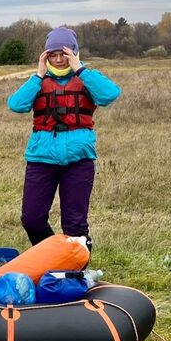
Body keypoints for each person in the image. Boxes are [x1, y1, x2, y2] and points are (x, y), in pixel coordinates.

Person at [7, 27, 121, 252]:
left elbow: (109, 94)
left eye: (64, 54)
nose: (59, 60)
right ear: (46, 56)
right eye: (53, 55)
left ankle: (76, 266)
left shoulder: (87, 78)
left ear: (74, 53)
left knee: (75, 225)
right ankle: (53, 254)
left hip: (79, 160)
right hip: (41, 158)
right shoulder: (38, 81)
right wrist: (38, 76)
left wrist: (80, 70)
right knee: (32, 219)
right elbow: (16, 105)